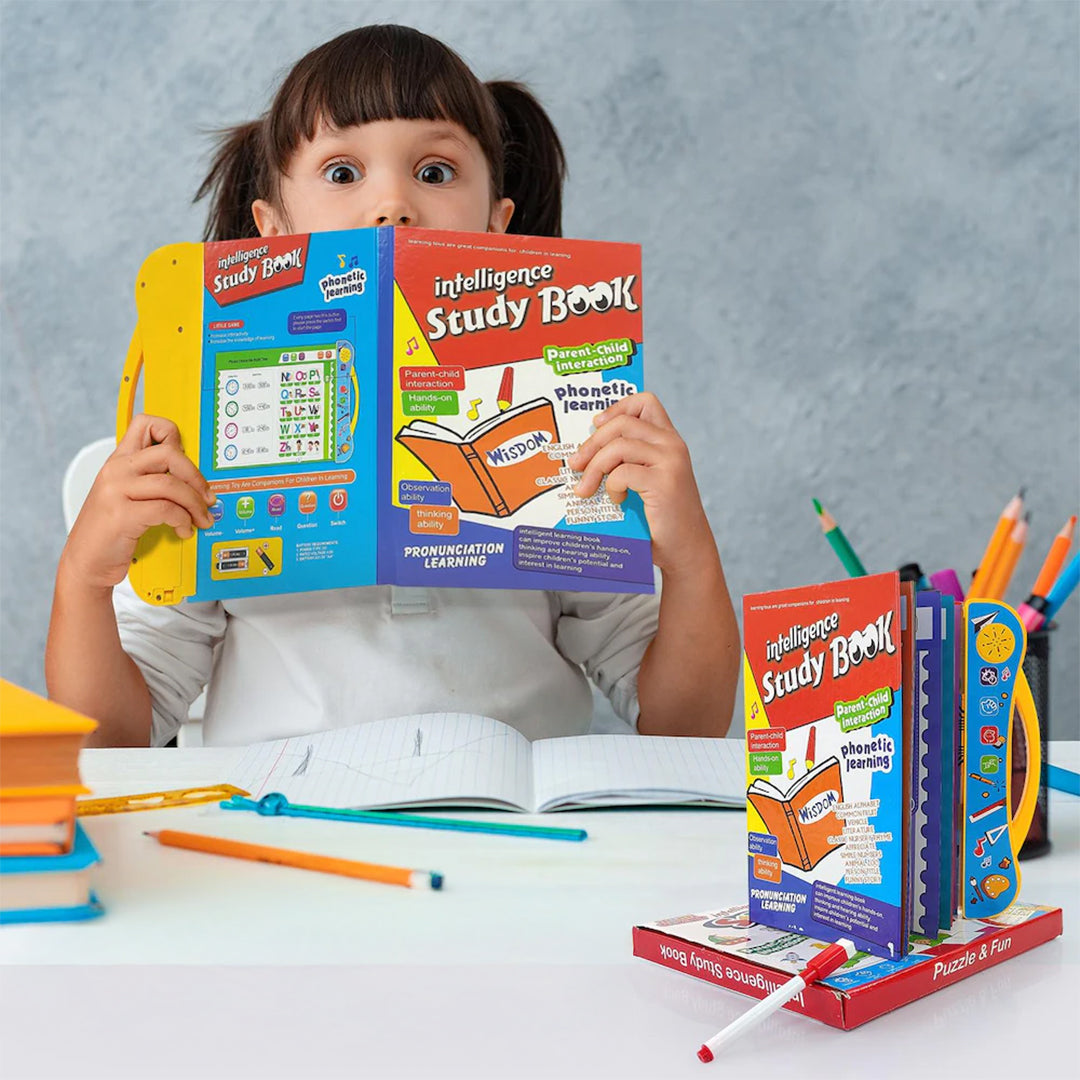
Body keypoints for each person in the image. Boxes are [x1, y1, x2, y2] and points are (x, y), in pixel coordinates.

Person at [46, 24, 739, 747]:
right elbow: (110, 739)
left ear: (499, 229)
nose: (392, 206)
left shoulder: (570, 430)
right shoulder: (213, 435)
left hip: (524, 827)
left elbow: (684, 724)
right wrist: (84, 582)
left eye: (435, 172)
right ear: (273, 231)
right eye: (343, 174)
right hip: (288, 826)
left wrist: (690, 554)